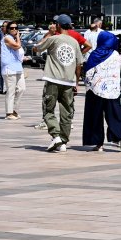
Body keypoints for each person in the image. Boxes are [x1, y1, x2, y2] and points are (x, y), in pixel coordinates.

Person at [35, 15, 88, 151]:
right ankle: (63, 141)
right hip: (69, 81)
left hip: (53, 79)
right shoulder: (74, 42)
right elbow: (79, 63)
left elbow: (37, 49)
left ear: (58, 25)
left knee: (48, 109)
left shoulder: (54, 39)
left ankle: (56, 135)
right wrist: (76, 81)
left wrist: (49, 34)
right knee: (66, 111)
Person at [80, 30, 121, 151]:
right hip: (112, 91)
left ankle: (99, 144)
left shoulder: (94, 54)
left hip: (95, 91)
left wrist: (87, 86)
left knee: (95, 117)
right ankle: (120, 135)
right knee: (114, 115)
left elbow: (88, 72)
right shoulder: (116, 55)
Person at [0, 22, 25, 118]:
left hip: (18, 67)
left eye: (16, 28)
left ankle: (15, 110)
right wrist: (18, 37)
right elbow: (17, 46)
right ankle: (9, 113)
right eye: (12, 28)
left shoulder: (13, 38)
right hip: (9, 68)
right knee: (11, 91)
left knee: (22, 88)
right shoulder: (7, 38)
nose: (14, 30)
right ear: (8, 29)